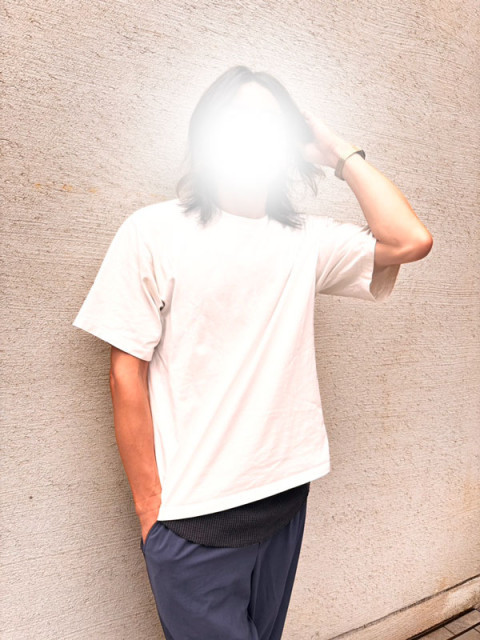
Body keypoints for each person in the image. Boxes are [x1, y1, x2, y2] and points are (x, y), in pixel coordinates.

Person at [72, 65, 433, 639]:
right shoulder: (152, 232)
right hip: (193, 517)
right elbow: (125, 374)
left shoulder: (306, 240)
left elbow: (410, 240)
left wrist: (338, 153)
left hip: (284, 496)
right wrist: (151, 513)